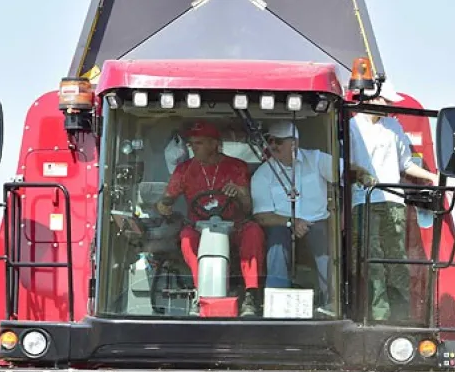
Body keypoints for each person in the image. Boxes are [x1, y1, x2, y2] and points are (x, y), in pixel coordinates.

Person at [349, 81, 438, 323]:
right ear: (370, 99)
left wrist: (433, 177)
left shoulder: (393, 126)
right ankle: (376, 315)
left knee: (396, 259)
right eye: (385, 101)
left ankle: (401, 316)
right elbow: (343, 165)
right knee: (371, 258)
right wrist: (360, 173)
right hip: (363, 201)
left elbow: (405, 164)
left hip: (393, 200)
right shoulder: (350, 127)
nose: (389, 106)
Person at [156, 120, 264, 316]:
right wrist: (163, 205)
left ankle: (251, 295)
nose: (193, 148)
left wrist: (239, 192)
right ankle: (201, 293)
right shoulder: (184, 170)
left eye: (198, 143)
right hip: (199, 226)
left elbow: (248, 206)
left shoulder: (236, 167)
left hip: (234, 225)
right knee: (187, 238)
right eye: (191, 144)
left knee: (253, 231)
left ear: (214, 144)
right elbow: (167, 198)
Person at [250, 121, 334, 310]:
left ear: (294, 143)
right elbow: (262, 216)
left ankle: (331, 302)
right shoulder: (262, 174)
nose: (273, 145)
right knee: (277, 242)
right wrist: (291, 222)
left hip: (318, 222)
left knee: (327, 243)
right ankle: (277, 303)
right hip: (282, 223)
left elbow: (344, 173)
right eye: (270, 140)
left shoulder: (317, 159)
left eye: (278, 141)